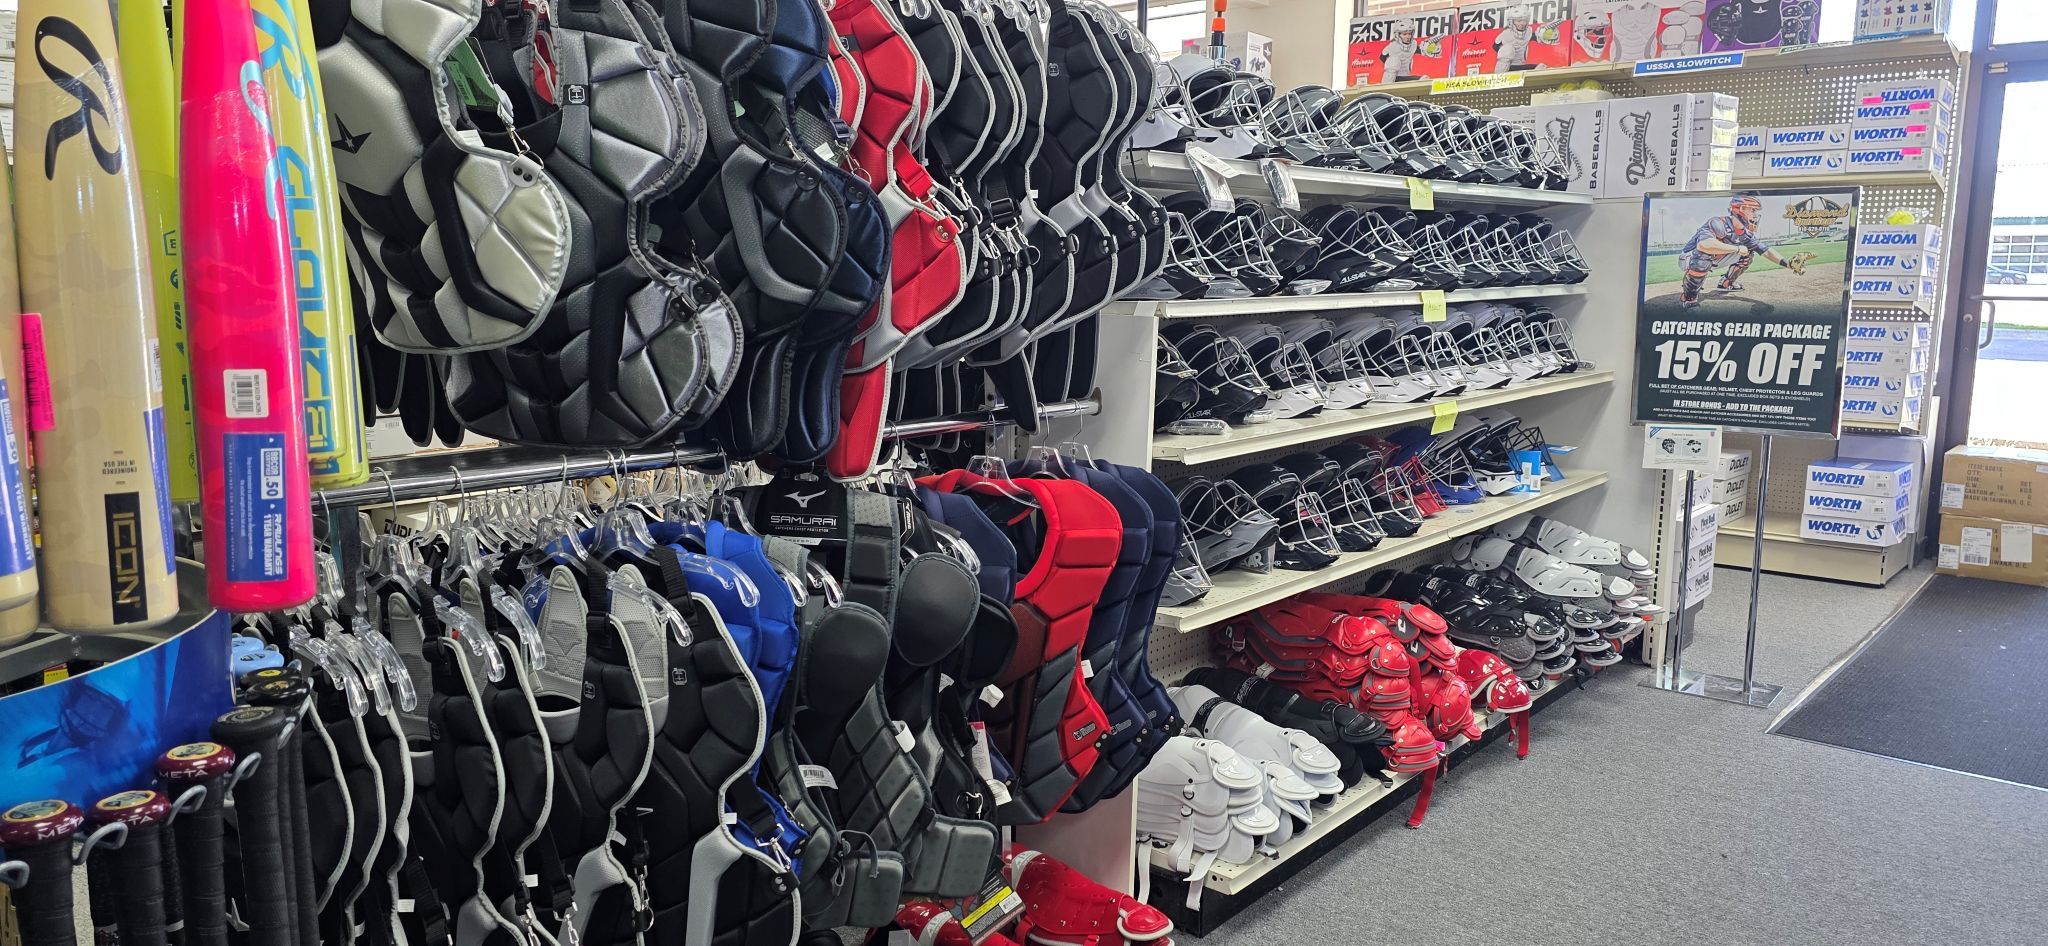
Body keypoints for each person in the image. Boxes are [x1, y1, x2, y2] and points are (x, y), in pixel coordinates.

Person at [1678, 194, 1809, 309]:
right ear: (1740, 209)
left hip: (1714, 258)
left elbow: (1765, 251)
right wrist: (1737, 248)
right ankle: (1689, 298)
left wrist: (1789, 264)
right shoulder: (1718, 223)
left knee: (1748, 254)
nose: (1755, 215)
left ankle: (1726, 282)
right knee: (1704, 256)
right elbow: (1704, 245)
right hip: (1690, 258)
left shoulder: (1746, 234)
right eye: (1752, 210)